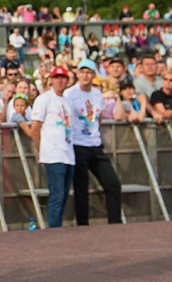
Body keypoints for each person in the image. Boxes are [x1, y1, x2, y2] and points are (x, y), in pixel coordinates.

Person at [66, 59, 122, 226]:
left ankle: (115, 223)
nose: (85, 75)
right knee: (81, 188)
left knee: (113, 183)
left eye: (89, 72)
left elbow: (99, 116)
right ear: (77, 73)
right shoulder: (70, 93)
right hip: (78, 144)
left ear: (93, 75)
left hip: (95, 144)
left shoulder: (97, 94)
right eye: (82, 72)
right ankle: (83, 225)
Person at [30, 66, 75, 228]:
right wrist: (38, 148)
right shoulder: (44, 99)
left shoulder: (67, 101)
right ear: (51, 80)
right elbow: (35, 127)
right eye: (57, 78)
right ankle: (54, 228)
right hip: (52, 152)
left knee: (64, 194)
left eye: (63, 78)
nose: (60, 81)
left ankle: (58, 225)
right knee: (57, 193)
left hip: (68, 152)